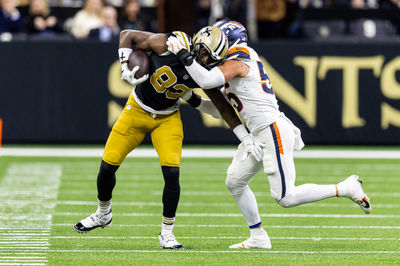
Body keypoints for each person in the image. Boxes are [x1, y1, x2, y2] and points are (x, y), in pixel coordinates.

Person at [166, 20, 372, 249]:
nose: (211, 52)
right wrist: (188, 98)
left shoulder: (240, 58)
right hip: (257, 133)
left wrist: (183, 55)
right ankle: (258, 236)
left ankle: (345, 188)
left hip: (272, 129)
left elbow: (206, 80)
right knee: (235, 182)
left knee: (285, 196)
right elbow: (219, 109)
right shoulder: (228, 65)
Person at [73, 27, 262, 249]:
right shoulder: (168, 44)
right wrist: (125, 66)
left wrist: (244, 137)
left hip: (167, 117)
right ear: (196, 44)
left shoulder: (203, 72)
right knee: (107, 167)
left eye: (211, 59)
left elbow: (222, 108)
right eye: (203, 54)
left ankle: (167, 233)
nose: (205, 61)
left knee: (172, 173)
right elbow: (127, 35)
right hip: (137, 109)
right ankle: (103, 213)